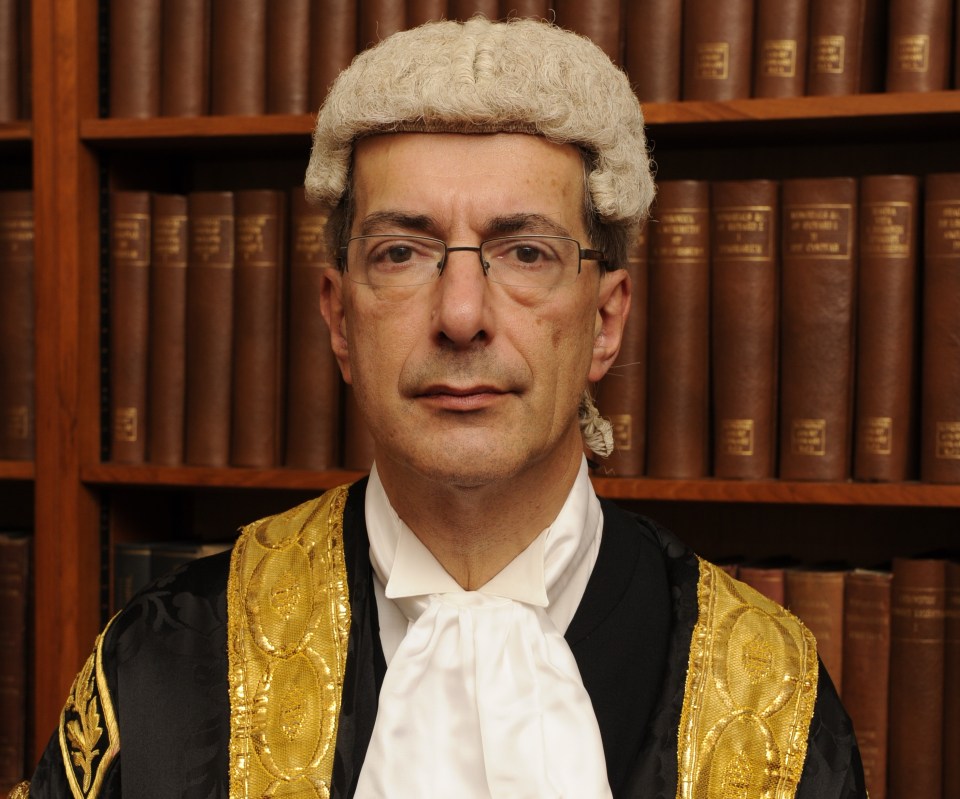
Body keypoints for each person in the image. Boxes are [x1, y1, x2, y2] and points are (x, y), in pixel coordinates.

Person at [18, 16, 865, 799]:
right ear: (339, 317)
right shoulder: (167, 662)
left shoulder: (772, 696)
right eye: (402, 252)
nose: (462, 314)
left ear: (606, 321)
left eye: (524, 250)